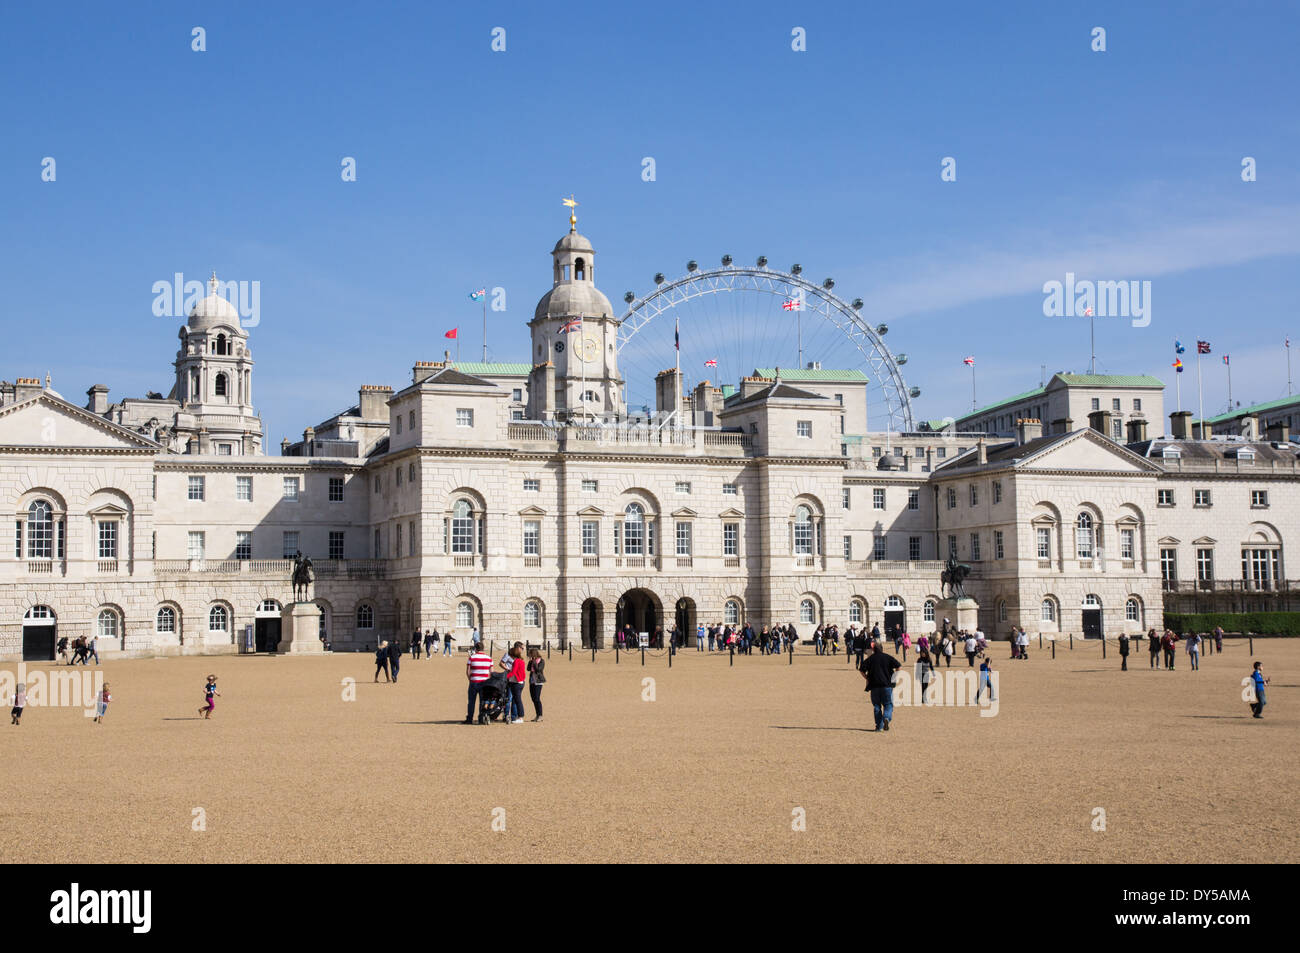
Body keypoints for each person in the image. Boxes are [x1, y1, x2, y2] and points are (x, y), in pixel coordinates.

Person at [859, 641, 901, 731]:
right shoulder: (887, 657)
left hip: (874, 686)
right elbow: (898, 666)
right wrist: (894, 676)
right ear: (882, 649)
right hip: (886, 685)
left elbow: (861, 669)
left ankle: (879, 726)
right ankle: (886, 717)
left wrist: (867, 678)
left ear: (873, 650)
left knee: (877, 706)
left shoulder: (870, 659)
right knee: (888, 705)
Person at [465, 643, 493, 724]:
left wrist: (470, 679)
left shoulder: (472, 658)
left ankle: (469, 718)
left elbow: (468, 671)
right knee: (483, 701)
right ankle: (481, 718)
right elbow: (492, 672)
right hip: (484, 683)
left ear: (476, 649)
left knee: (471, 702)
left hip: (474, 682)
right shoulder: (489, 658)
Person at [505, 643, 527, 724]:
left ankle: (520, 717)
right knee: (517, 700)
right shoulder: (521, 661)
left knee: (518, 701)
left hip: (516, 683)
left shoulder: (516, 661)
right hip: (520, 682)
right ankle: (518, 716)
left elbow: (513, 672)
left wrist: (505, 677)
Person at [527, 647, 546, 722]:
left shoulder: (541, 661)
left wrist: (534, 662)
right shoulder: (532, 661)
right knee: (533, 699)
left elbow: (539, 670)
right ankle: (537, 715)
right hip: (532, 681)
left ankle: (540, 715)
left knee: (537, 698)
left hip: (538, 681)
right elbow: (528, 669)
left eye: (530, 655)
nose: (529, 656)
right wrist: (530, 662)